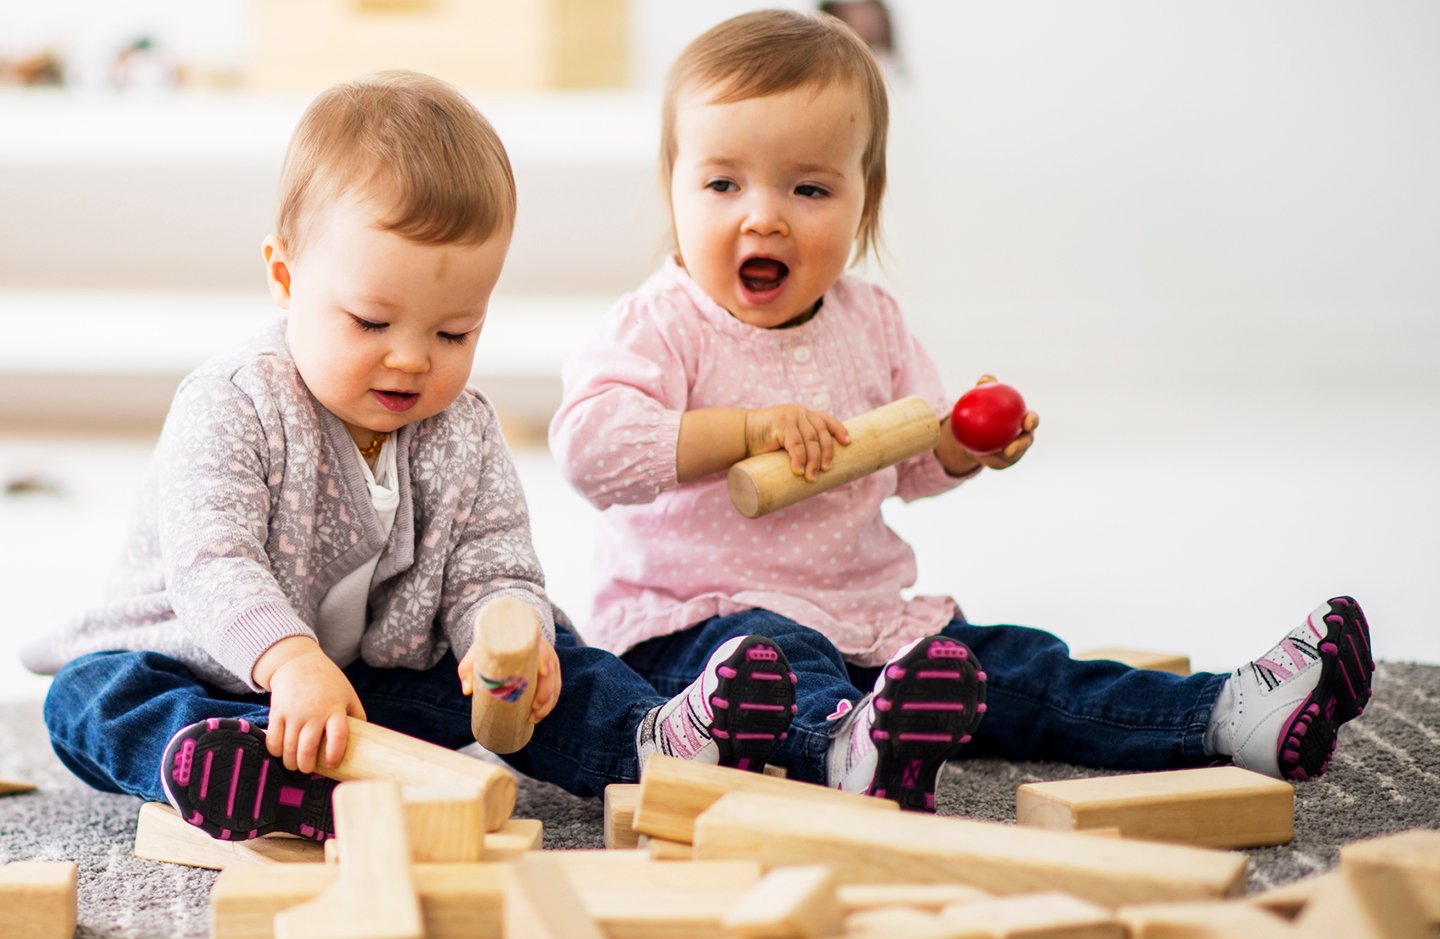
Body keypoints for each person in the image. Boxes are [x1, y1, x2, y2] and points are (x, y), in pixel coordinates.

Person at [548, 10, 1375, 812]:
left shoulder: (871, 322)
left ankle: (1229, 714)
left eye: (808, 188)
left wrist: (961, 447)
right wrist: (744, 432)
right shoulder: (659, 324)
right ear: (673, 189)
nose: (762, 214)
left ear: (863, 201)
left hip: (867, 620)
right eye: (723, 183)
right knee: (786, 663)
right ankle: (846, 751)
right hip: (703, 634)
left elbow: (910, 466)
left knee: (1017, 668)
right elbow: (590, 449)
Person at [23, 71, 764, 842]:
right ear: (285, 277)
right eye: (372, 322)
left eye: (454, 334)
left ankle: (653, 741)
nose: (410, 361)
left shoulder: (463, 430)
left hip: (359, 697)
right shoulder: (234, 401)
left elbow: (493, 563)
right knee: (89, 697)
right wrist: (287, 663)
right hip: (206, 665)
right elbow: (213, 560)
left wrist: (501, 640)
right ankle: (240, 769)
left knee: (553, 655)